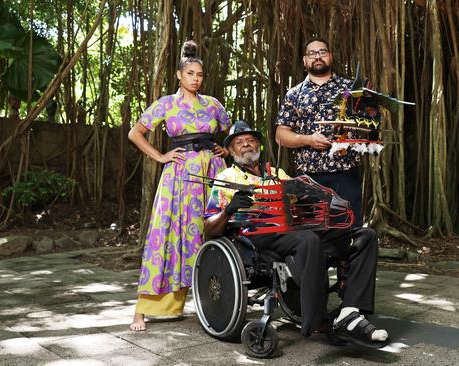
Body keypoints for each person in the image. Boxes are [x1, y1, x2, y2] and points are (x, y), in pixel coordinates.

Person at [204, 121, 388, 347]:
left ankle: (349, 312)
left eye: (250, 140)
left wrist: (307, 195)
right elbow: (209, 228)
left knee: (364, 236)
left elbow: (301, 200)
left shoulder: (276, 172)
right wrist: (228, 209)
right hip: (258, 235)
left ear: (259, 146)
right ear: (232, 151)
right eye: (239, 143)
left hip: (295, 228)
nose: (246, 145)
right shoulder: (226, 178)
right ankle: (317, 320)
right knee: (307, 240)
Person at [128, 40, 231, 331]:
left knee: (210, 231)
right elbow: (135, 133)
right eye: (190, 74)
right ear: (179, 75)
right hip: (180, 177)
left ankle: (215, 302)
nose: (195, 79)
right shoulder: (166, 104)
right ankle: (144, 309)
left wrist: (224, 149)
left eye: (199, 74)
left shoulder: (213, 105)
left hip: (212, 175)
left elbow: (230, 132)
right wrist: (161, 156)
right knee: (167, 235)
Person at [275, 37, 363, 227]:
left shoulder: (350, 90)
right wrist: (307, 140)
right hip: (309, 177)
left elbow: (369, 125)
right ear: (305, 61)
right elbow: (280, 135)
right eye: (312, 53)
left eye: (322, 52)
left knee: (350, 229)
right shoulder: (294, 94)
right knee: (312, 232)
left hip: (345, 173)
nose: (318, 57)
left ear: (330, 56)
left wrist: (348, 136)